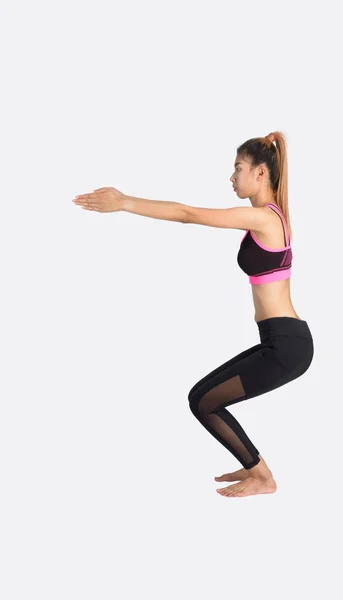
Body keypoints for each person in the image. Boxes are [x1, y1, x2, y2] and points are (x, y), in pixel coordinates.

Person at [72, 130, 314, 499]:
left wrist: (125, 202)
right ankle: (254, 466)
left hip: (287, 347)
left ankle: (263, 477)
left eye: (238, 169)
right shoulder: (271, 217)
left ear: (261, 173)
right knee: (201, 396)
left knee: (204, 402)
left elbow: (189, 214)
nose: (232, 178)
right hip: (281, 341)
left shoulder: (265, 219)